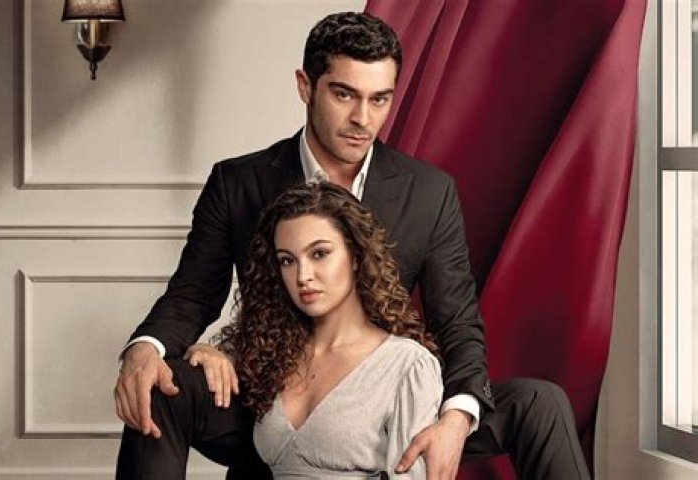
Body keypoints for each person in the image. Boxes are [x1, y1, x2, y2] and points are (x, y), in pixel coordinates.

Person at [114, 11, 590, 480]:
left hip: (385, 403)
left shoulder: (428, 192)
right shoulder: (239, 183)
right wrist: (146, 349)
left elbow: (457, 323)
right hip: (274, 397)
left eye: (379, 99)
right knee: (156, 386)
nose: (363, 119)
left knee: (538, 402)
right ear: (306, 86)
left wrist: (456, 417)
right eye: (344, 95)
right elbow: (192, 294)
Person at [185, 181, 444, 478]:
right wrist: (205, 350)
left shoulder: (407, 364)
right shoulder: (271, 350)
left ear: (356, 256)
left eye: (319, 254)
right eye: (287, 260)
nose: (302, 276)